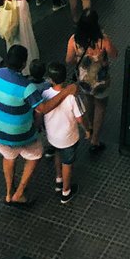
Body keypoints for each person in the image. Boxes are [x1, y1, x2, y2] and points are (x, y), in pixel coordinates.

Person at [0, 44, 75, 205]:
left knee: (8, 157)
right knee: (36, 154)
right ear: (23, 64)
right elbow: (43, 108)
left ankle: (8, 193)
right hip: (21, 133)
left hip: (0, 130)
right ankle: (19, 193)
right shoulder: (26, 87)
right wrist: (66, 91)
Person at [65, 10, 117, 155]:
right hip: (101, 82)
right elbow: (114, 54)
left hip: (84, 81)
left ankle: (89, 128)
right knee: (100, 107)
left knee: (88, 100)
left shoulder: (74, 40)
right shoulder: (103, 40)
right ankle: (95, 140)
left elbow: (68, 60)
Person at [41, 62, 88, 203]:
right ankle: (66, 192)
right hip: (68, 138)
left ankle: (59, 179)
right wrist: (87, 129)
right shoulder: (72, 97)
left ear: (50, 79)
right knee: (67, 163)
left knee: (57, 153)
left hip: (52, 136)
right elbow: (80, 118)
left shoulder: (45, 94)